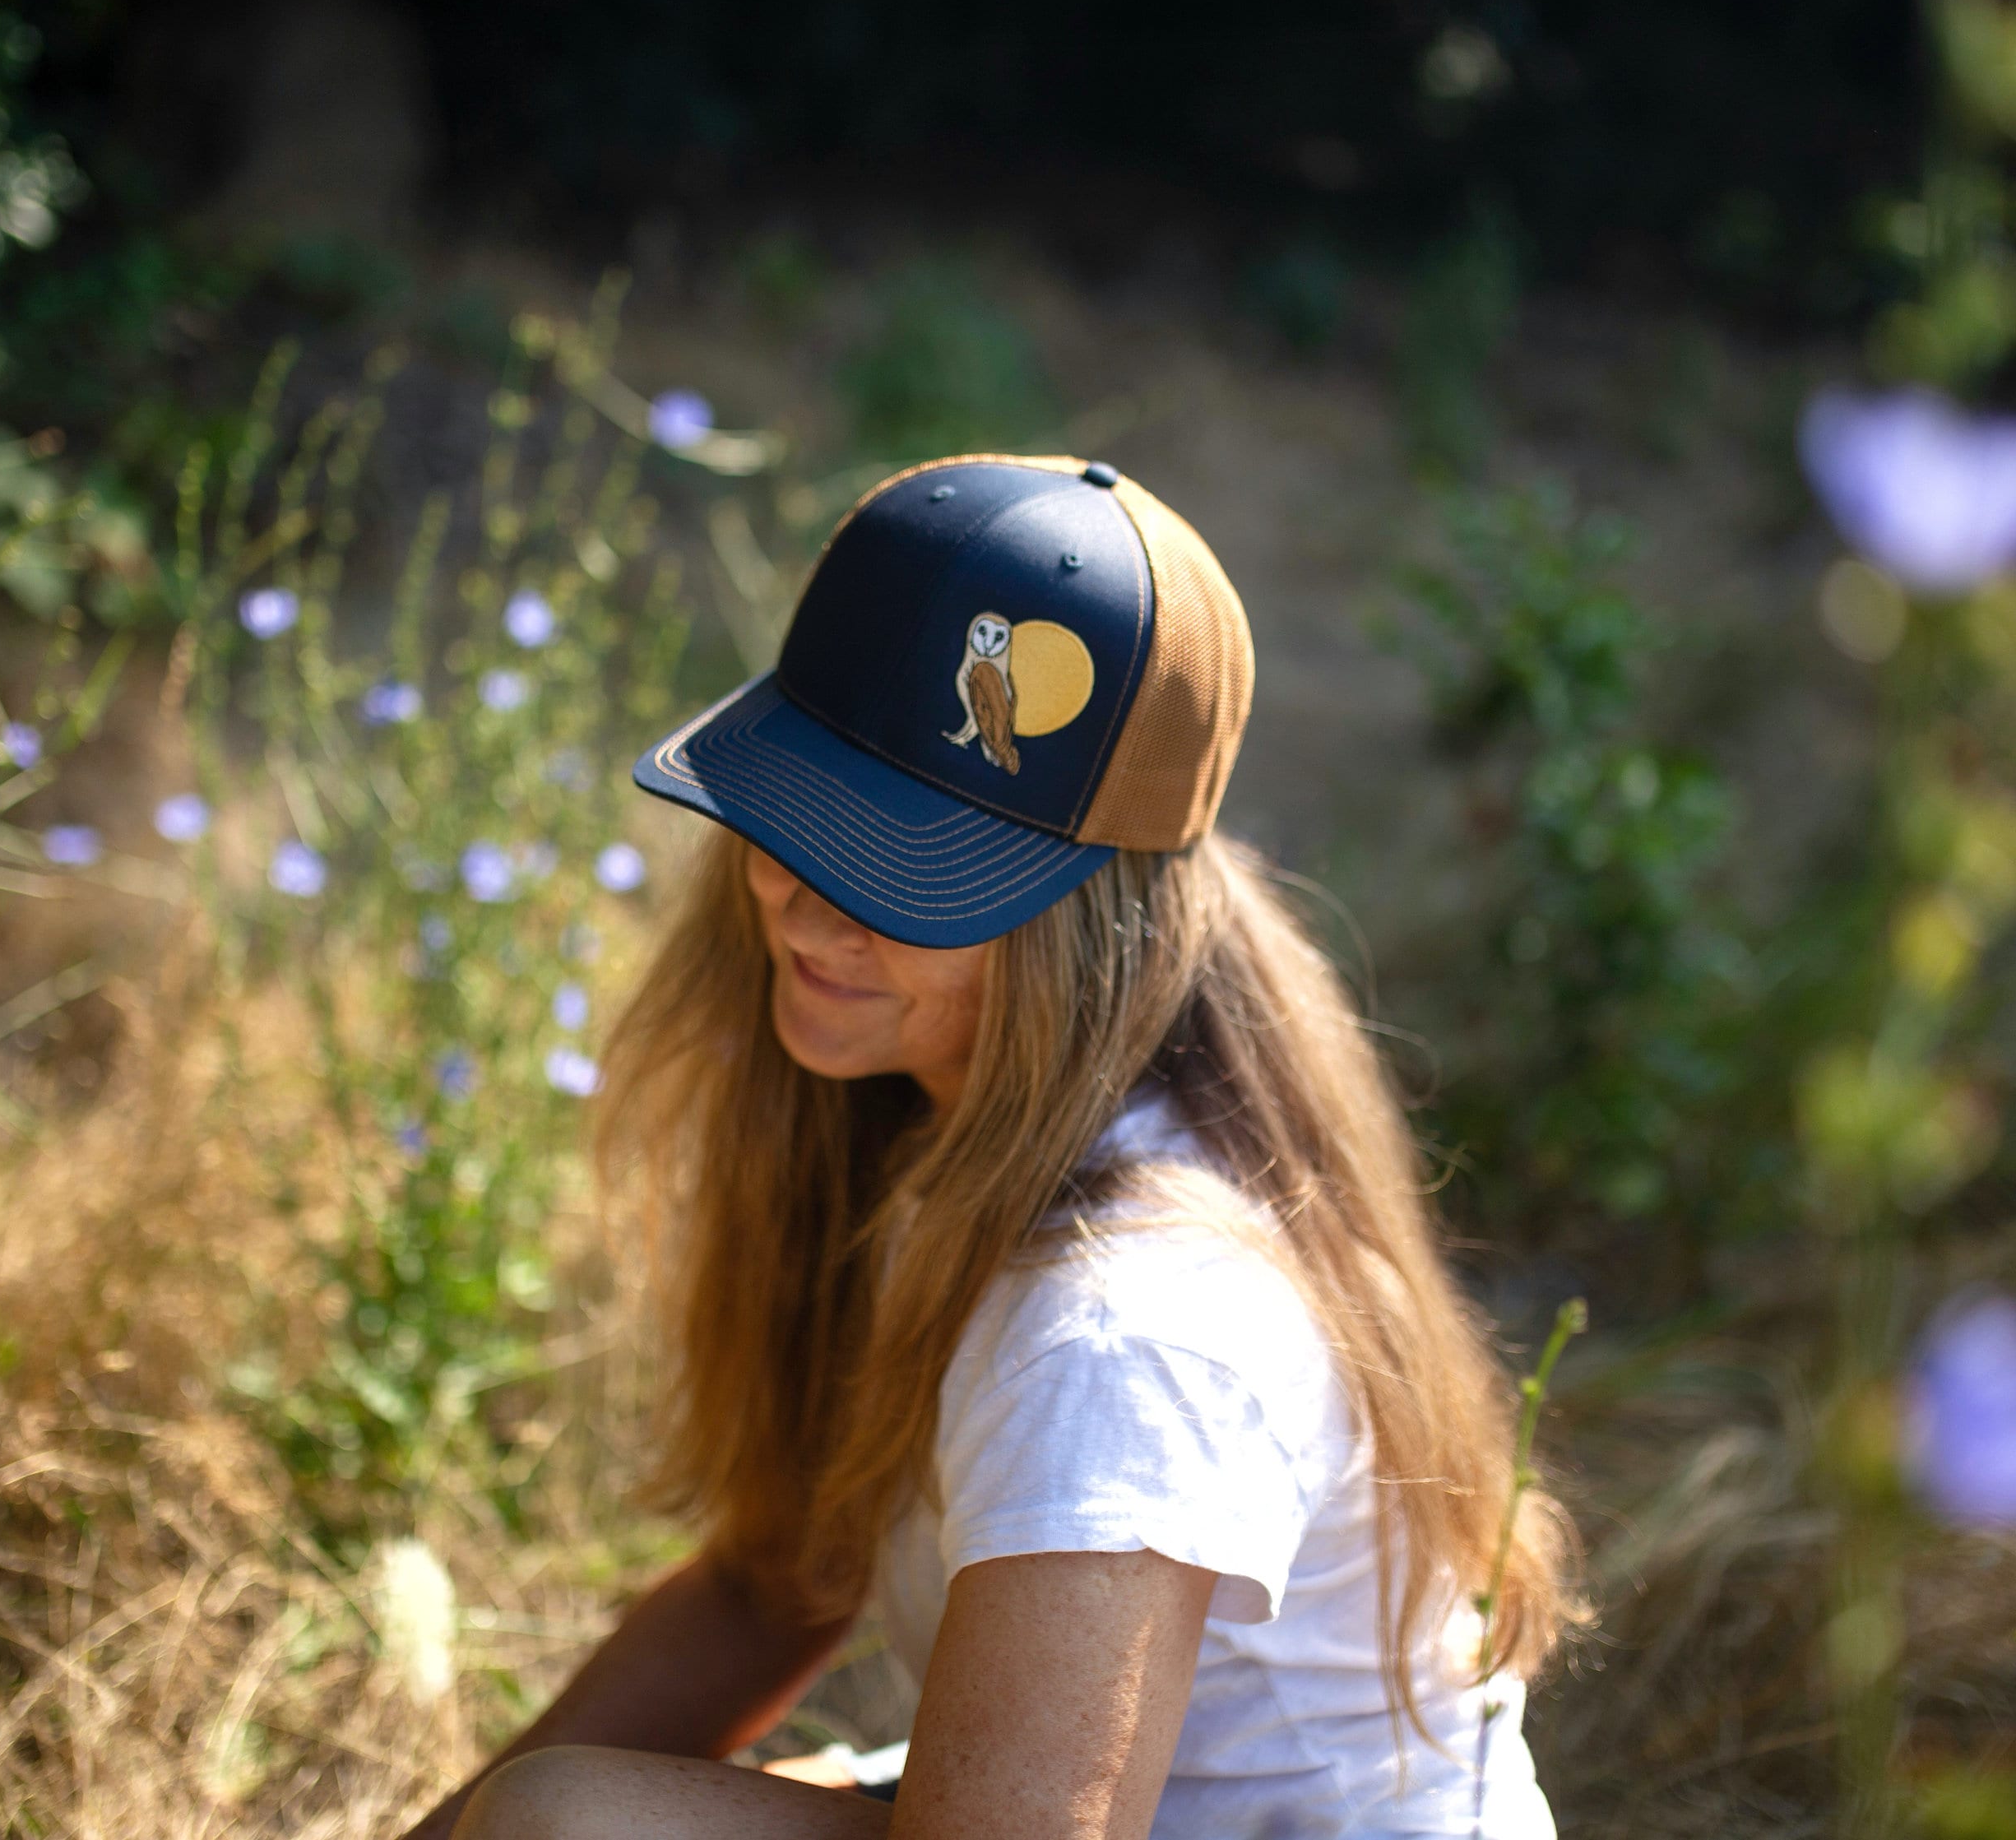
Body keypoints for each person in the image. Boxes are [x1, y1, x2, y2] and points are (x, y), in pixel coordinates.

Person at [403, 454, 1578, 1840]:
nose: (809, 911)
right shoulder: (924, 1110)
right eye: (797, 819)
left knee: (572, 1830)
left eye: (903, 869)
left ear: (1088, 915)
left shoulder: (1123, 1326)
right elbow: (773, 1580)